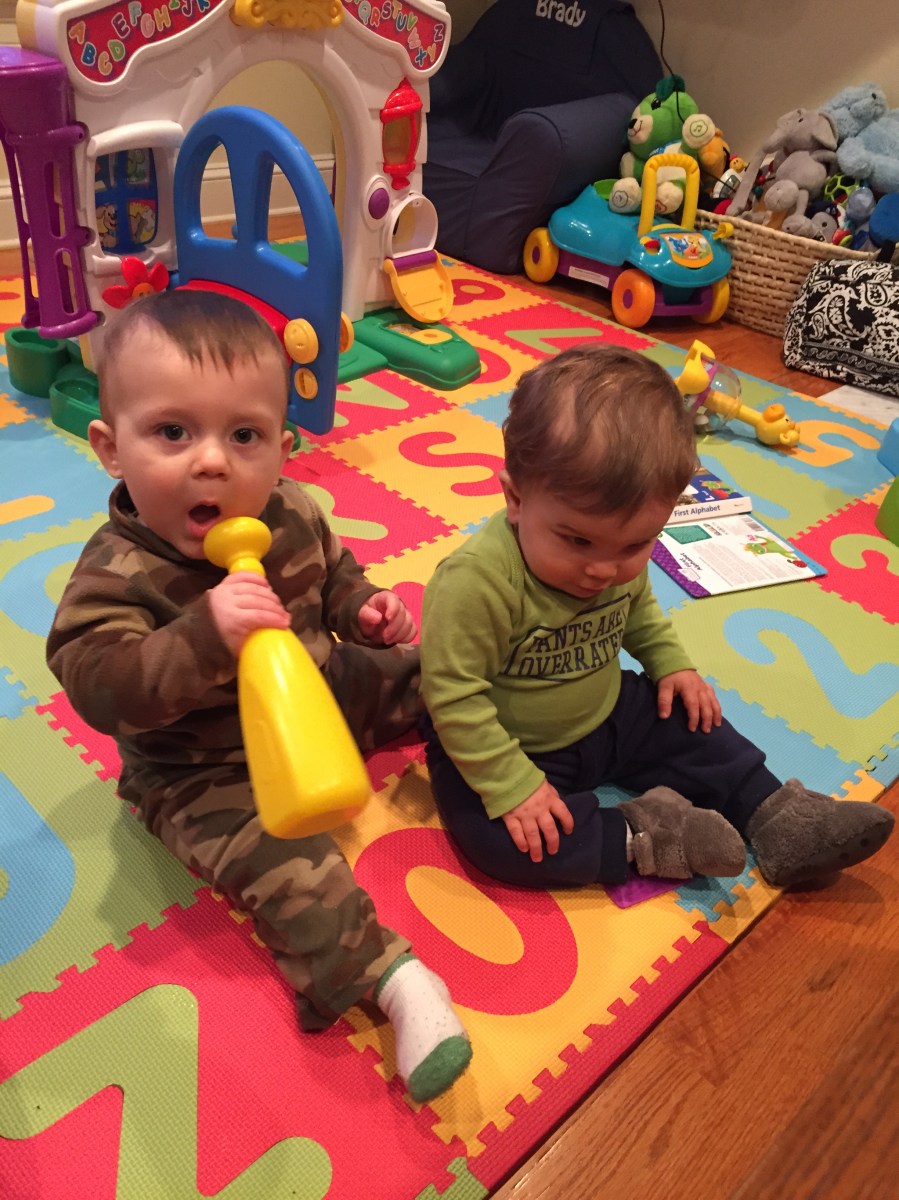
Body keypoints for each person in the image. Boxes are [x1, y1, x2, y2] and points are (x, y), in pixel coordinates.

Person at [46, 289, 471, 1103]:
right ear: (110, 447)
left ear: (283, 444)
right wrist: (205, 635)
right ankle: (394, 982)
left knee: (443, 672)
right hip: (202, 768)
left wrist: (364, 608)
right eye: (173, 432)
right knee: (294, 877)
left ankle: (558, 722)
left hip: (321, 691)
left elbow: (333, 574)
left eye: (243, 435)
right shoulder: (115, 572)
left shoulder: (291, 511)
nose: (212, 462)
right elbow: (100, 687)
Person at [420, 345, 894, 890]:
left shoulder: (614, 559)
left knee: (692, 717)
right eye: (577, 541)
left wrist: (672, 665)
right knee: (502, 839)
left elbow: (638, 611)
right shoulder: (476, 581)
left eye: (635, 545)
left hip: (609, 711)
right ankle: (649, 833)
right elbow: (452, 696)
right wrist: (513, 784)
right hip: (510, 740)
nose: (604, 570)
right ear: (516, 499)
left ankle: (780, 816)